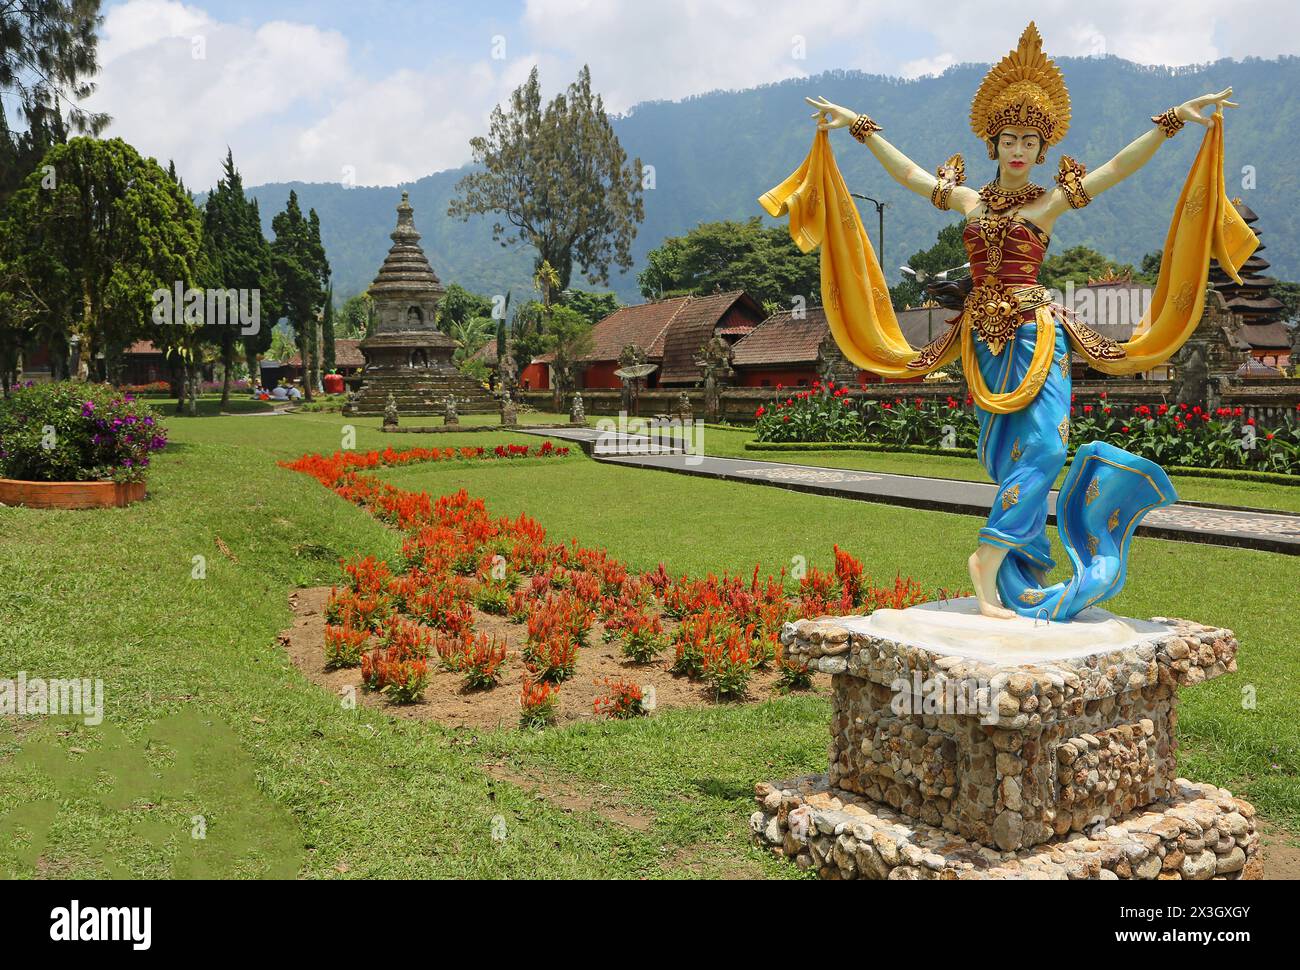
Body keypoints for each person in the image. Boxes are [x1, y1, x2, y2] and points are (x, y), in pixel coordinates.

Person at [764, 21, 1254, 621]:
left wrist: (1174, 118)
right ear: (992, 146)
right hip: (980, 341)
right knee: (1009, 457)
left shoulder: (1049, 202)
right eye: (1009, 139)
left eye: (1029, 140)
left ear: (1042, 150)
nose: (1019, 149)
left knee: (1046, 445)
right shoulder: (969, 200)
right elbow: (912, 175)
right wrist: (859, 127)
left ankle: (989, 562)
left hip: (1034, 332)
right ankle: (1008, 577)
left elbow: (1119, 166)